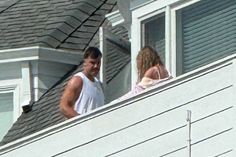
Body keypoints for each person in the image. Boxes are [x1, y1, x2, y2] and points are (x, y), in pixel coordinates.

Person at [60, 47, 104, 118]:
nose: (96, 66)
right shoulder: (78, 80)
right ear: (85, 63)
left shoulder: (99, 85)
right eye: (92, 62)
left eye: (98, 63)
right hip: (83, 127)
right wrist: (82, 121)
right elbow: (64, 107)